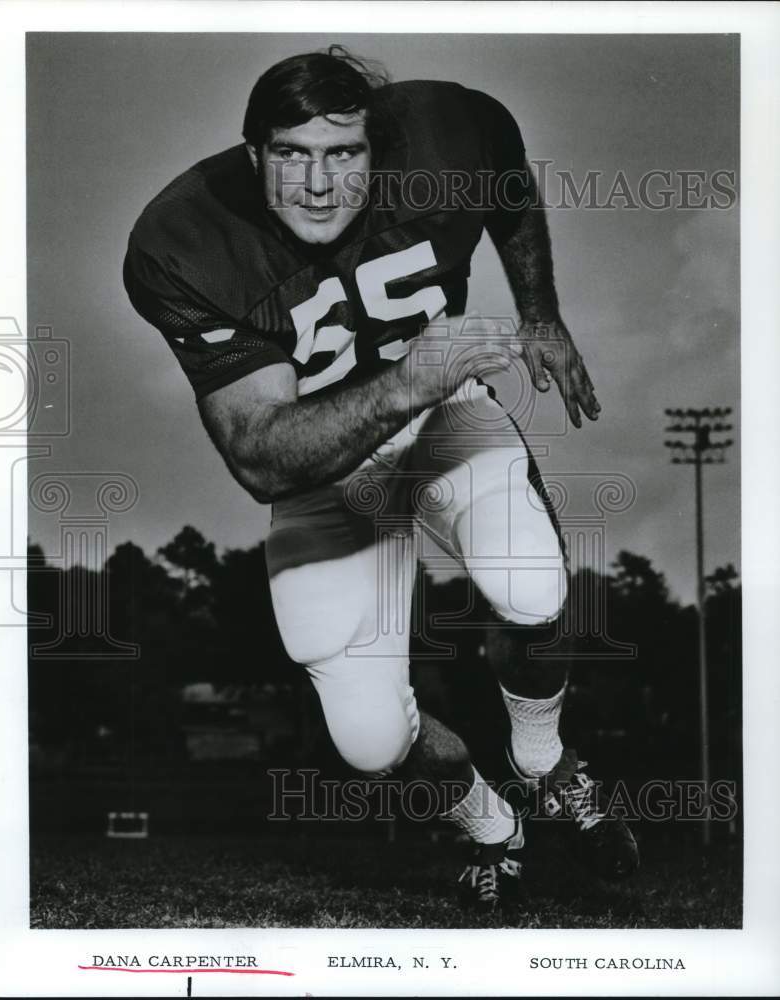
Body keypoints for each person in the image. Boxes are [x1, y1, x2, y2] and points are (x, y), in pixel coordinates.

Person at [124, 46, 638, 909]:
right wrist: (407, 379)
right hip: (322, 467)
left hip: (443, 420)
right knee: (366, 740)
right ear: (254, 158)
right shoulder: (185, 241)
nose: (318, 184)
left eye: (344, 153)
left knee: (533, 586)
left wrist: (539, 311)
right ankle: (488, 824)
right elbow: (259, 455)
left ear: (382, 148)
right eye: (291, 154)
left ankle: (547, 762)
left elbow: (503, 174)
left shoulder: (446, 134)